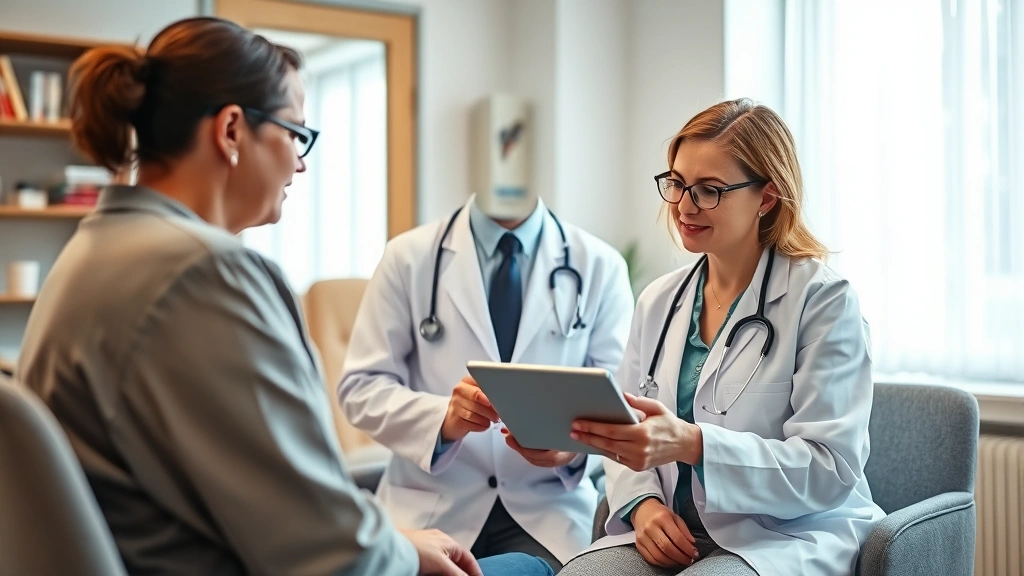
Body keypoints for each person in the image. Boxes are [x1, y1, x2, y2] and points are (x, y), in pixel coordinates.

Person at [16, 16, 551, 576]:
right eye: (295, 133)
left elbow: (242, 489)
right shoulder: (208, 275)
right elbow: (327, 554)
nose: (299, 161)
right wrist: (399, 552)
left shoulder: (92, 250)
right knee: (531, 569)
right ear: (230, 131)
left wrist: (388, 538)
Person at [558, 98, 886, 576]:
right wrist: (643, 505)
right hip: (673, 530)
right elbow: (627, 435)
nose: (684, 206)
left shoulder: (822, 302)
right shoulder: (658, 301)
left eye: (709, 190)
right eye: (677, 184)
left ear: (767, 197)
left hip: (783, 534)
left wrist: (694, 444)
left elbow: (829, 468)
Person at [337, 164, 635, 569]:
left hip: (545, 515)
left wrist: (570, 450)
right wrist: (442, 419)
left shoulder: (600, 265)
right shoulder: (408, 258)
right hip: (430, 509)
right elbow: (360, 387)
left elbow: (623, 407)